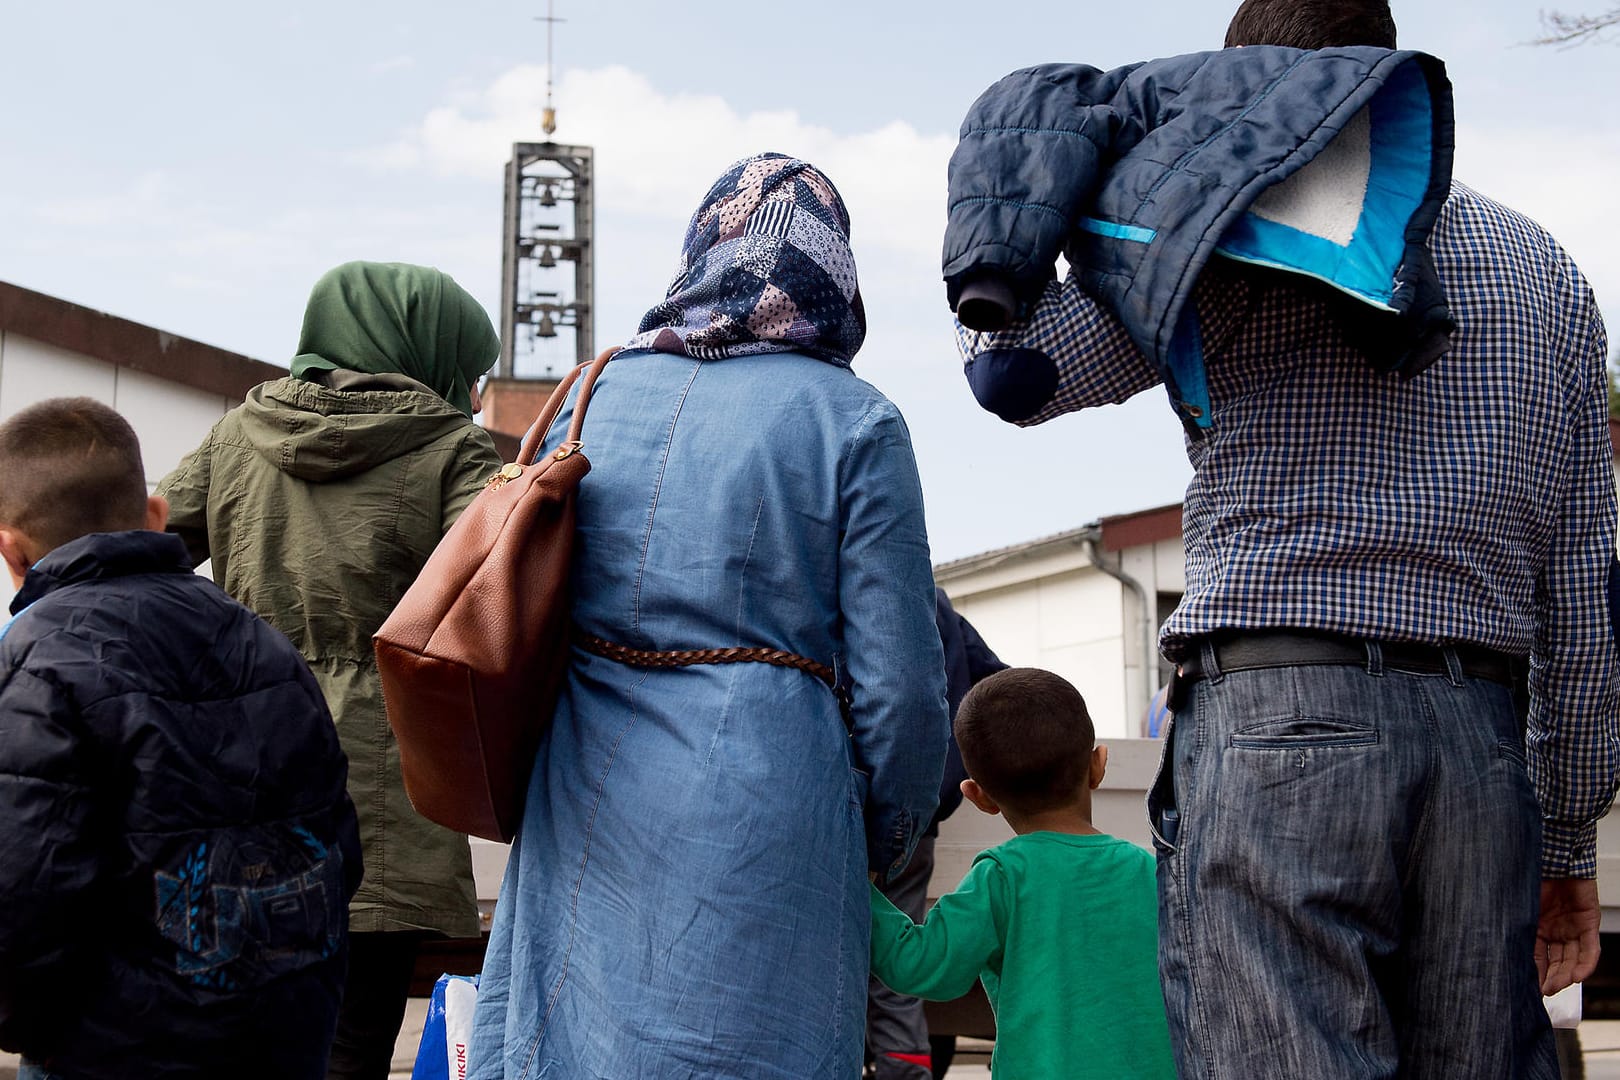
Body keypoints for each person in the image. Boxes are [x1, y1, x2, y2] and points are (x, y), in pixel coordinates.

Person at [955, 3, 1618, 1075]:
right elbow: (1586, 595)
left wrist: (1010, 220)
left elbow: (1017, 377)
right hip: (1481, 745)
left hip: (1277, 722)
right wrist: (1570, 837)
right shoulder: (1547, 276)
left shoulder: (1209, 232)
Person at [466, 153, 949, 1080]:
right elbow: (903, 694)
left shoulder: (589, 395)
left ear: (704, 246)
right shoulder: (858, 421)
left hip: (581, 792)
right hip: (772, 801)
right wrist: (871, 841)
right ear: (831, 269)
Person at [156, 262, 504, 1079]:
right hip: (386, 790)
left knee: (239, 1036)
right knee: (351, 1040)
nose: (480, 397)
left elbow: (136, 549)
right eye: (475, 373)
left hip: (238, 774)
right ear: (429, 349)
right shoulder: (454, 450)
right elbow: (483, 600)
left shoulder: (238, 434)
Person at [0, 398, 361, 1079]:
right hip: (283, 1033)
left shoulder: (37, 658)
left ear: (11, 551)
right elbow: (335, 843)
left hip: (111, 1049)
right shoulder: (260, 639)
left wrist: (30, 1029)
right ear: (157, 516)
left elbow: (25, 889)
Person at [868, 668, 1176, 1080]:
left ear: (978, 797)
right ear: (1098, 765)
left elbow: (921, 965)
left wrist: (854, 885)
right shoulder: (1149, 871)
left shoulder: (1003, 877)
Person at [867, 588, 1007, 1080]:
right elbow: (1002, 685)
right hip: (922, 810)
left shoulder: (858, 601)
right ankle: (905, 1071)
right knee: (897, 981)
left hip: (856, 801)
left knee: (832, 957)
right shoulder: (941, 608)